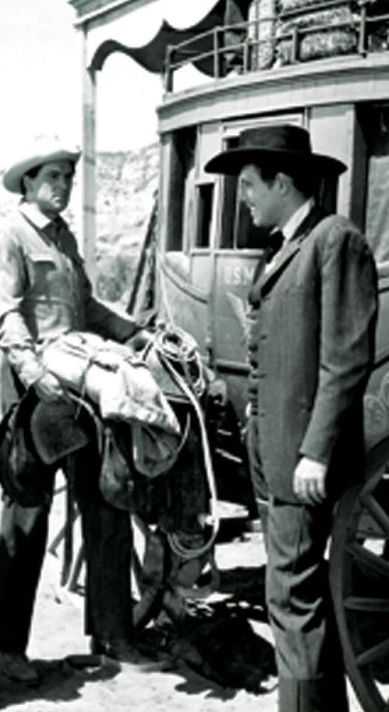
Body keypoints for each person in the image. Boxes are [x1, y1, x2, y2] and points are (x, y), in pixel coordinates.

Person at [205, 124, 378, 712]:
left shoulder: (335, 240)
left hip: (304, 458)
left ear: (282, 182)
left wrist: (317, 451)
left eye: (249, 186)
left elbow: (345, 359)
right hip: (275, 453)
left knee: (291, 598)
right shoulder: (284, 247)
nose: (244, 199)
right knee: (294, 595)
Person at [0, 135, 151, 683]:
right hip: (37, 397)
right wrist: (34, 374)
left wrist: (132, 332)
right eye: (52, 176)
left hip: (82, 388)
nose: (63, 185)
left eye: (68, 177)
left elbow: (84, 307)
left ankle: (113, 635)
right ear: (28, 182)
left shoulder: (63, 238)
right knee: (27, 516)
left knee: (108, 503)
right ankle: (8, 647)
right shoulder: (9, 235)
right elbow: (5, 313)